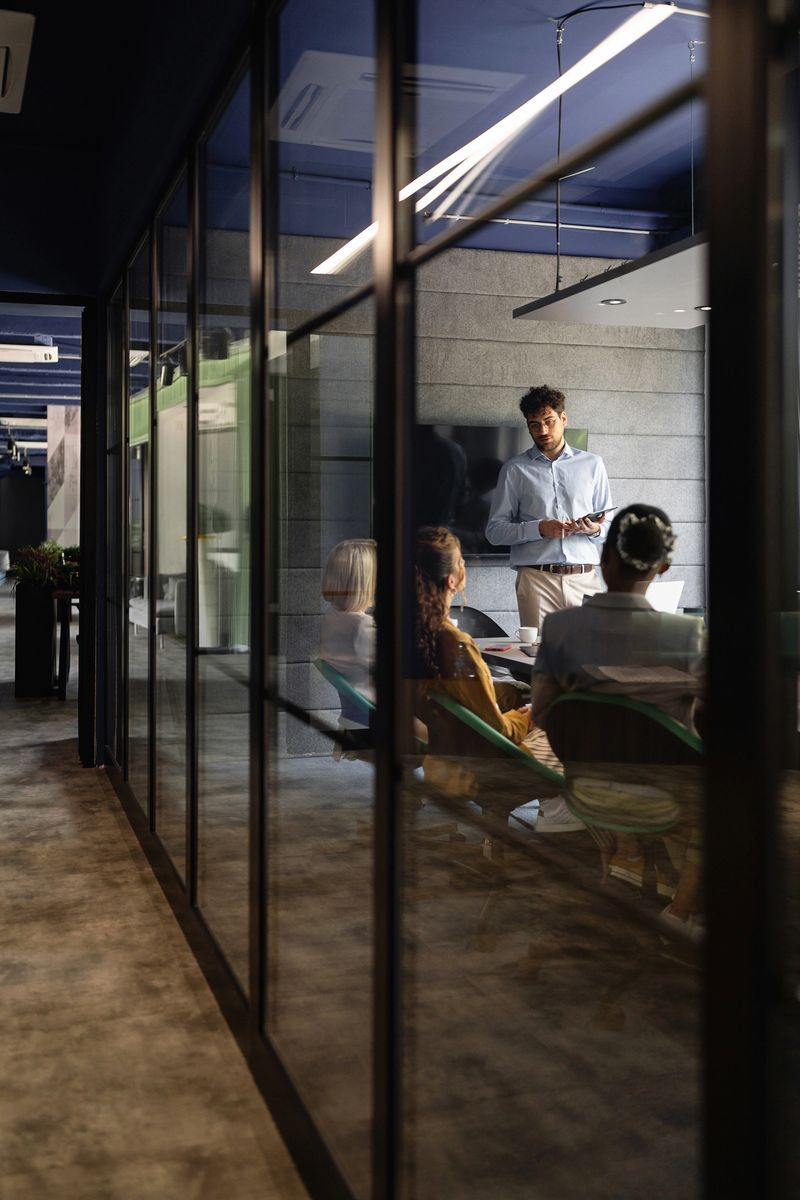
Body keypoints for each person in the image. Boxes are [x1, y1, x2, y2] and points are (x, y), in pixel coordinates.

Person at [531, 504, 706, 932]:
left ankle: (631, 856)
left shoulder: (559, 628)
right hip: (669, 793)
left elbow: (542, 713)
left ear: (604, 558)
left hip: (587, 788)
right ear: (663, 567)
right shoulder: (687, 635)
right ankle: (682, 911)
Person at [411, 526, 574, 831]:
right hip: (488, 766)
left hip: (450, 755)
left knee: (521, 694)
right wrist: (528, 717)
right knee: (571, 720)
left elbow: (464, 703)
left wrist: (516, 698)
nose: (465, 568)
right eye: (461, 562)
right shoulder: (455, 645)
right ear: (451, 580)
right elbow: (497, 729)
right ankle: (567, 817)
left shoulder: (413, 636)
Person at [485, 384, 613, 627]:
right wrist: (540, 528)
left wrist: (593, 529)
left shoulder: (593, 464)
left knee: (590, 657)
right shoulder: (515, 469)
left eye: (549, 421)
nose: (542, 430)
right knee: (540, 660)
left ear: (563, 418)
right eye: (535, 424)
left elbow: (608, 527)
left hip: (585, 579)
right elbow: (494, 532)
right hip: (536, 581)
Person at [320, 539, 377, 724]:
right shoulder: (361, 627)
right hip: (378, 717)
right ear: (366, 582)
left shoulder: (333, 616)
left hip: (356, 714)